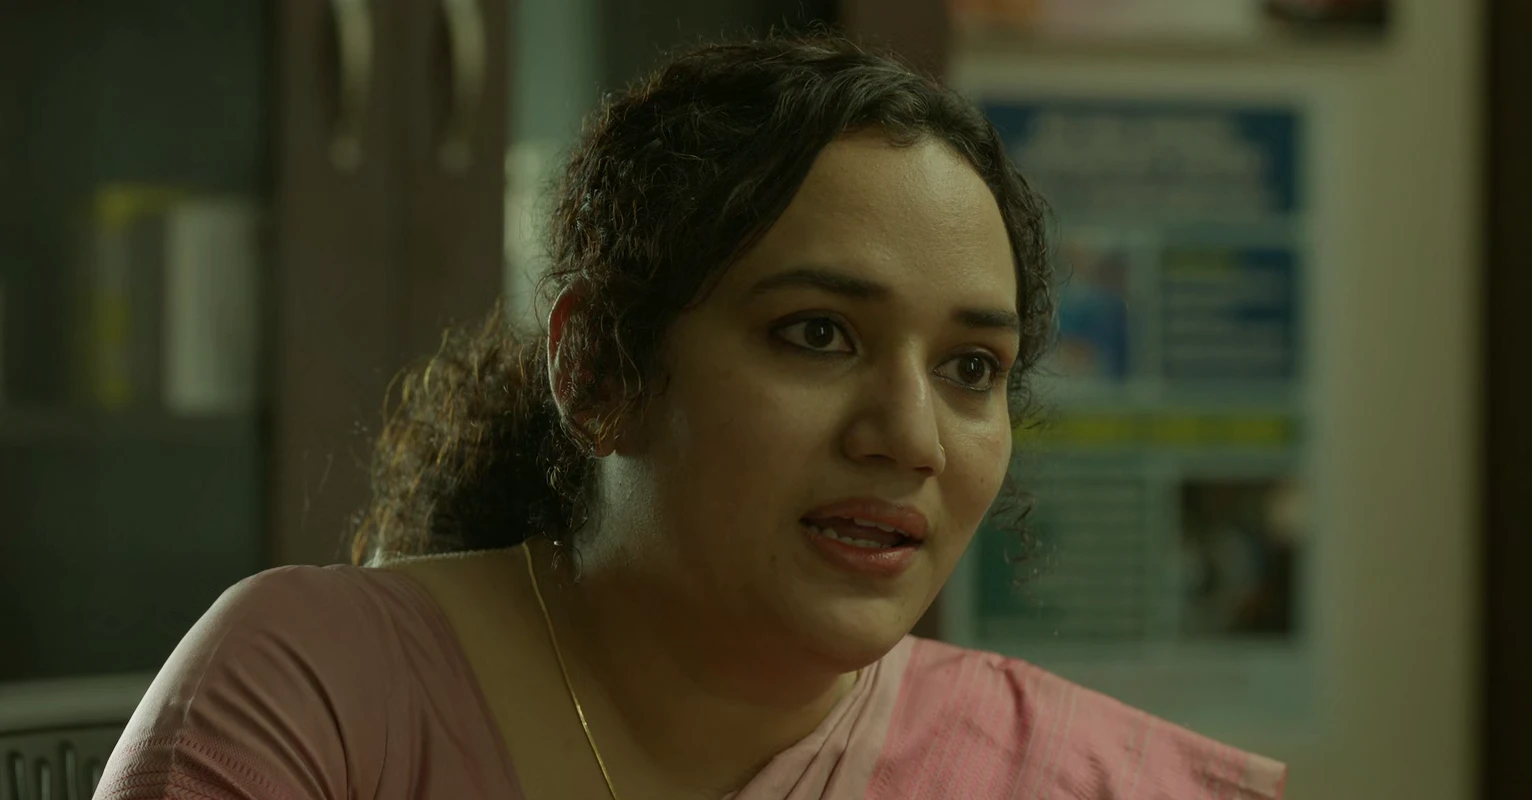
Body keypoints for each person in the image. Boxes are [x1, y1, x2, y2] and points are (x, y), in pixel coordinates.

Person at [95, 34, 1286, 800]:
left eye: (972, 366)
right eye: (817, 333)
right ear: (598, 370)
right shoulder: (317, 691)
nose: (911, 436)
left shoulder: (1069, 774)